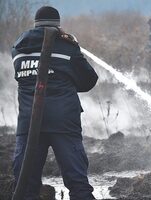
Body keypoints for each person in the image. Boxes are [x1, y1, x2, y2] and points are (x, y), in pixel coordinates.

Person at [11, 6, 97, 200]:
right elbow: (89, 80)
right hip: (64, 123)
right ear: (58, 25)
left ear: (35, 24)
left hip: (29, 123)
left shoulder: (17, 48)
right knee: (78, 184)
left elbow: (24, 80)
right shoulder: (68, 46)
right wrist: (66, 80)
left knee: (25, 186)